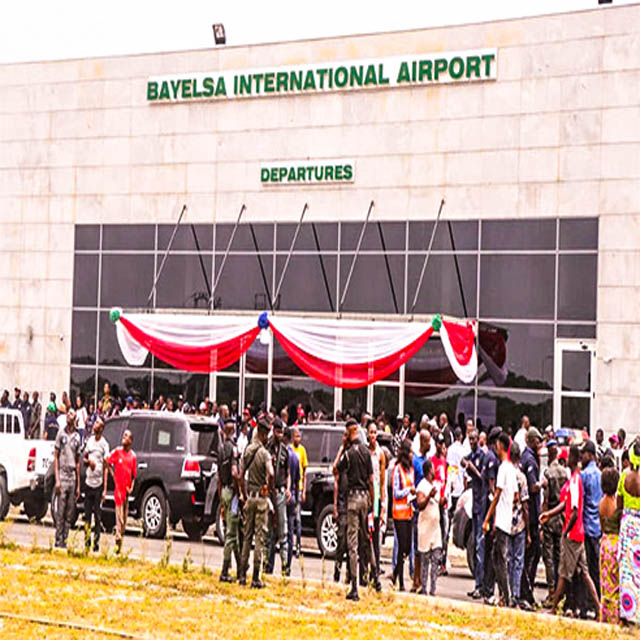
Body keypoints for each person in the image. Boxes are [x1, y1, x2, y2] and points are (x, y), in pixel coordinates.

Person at [539, 445, 600, 615]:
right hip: (579, 533)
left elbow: (573, 511)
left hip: (573, 534)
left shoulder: (574, 481)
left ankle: (553, 607)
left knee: (564, 574)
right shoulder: (576, 478)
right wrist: (549, 514)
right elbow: (566, 504)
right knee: (584, 573)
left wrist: (565, 532)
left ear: (573, 459)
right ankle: (598, 607)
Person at [335, 419, 376, 601]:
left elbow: (336, 469)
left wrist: (343, 448)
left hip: (352, 499)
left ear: (350, 433)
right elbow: (371, 480)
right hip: (365, 497)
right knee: (367, 538)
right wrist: (372, 504)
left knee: (352, 543)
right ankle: (376, 577)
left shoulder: (349, 453)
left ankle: (354, 586)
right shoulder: (367, 452)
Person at [483, 432, 519, 607]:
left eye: (497, 444)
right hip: (506, 519)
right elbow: (516, 496)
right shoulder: (512, 469)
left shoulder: (503, 468)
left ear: (501, 446)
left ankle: (506, 596)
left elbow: (496, 495)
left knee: (499, 560)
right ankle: (505, 595)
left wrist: (487, 519)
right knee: (497, 557)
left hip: (501, 521)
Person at [238, 420, 273, 588]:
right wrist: (269, 487)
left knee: (246, 537)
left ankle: (242, 574)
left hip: (249, 497)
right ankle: (255, 577)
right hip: (260, 498)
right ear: (264, 434)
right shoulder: (264, 454)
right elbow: (271, 473)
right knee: (259, 539)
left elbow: (240, 474)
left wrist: (243, 494)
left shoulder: (247, 450)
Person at [616, 438, 640, 626]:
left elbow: (619, 503)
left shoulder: (624, 476)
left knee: (626, 570)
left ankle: (626, 611)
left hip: (627, 525)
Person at [541, 439, 567, 606]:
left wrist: (543, 517)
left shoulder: (548, 473)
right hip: (561, 515)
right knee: (559, 556)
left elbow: (546, 498)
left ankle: (552, 593)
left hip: (550, 515)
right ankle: (560, 593)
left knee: (549, 557)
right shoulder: (564, 473)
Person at [461, 427, 486, 599]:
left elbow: (482, 477)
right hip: (475, 506)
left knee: (480, 546)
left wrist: (471, 468)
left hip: (483, 505)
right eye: (469, 439)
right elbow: (465, 462)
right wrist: (465, 463)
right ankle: (477, 583)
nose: (472, 442)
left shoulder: (483, 457)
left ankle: (482, 584)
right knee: (475, 547)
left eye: (474, 439)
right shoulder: (471, 455)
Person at [519, 426, 543, 608]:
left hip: (534, 514)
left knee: (533, 554)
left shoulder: (530, 458)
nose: (539, 443)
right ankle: (525, 593)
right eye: (537, 440)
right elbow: (532, 487)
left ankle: (527, 592)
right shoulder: (529, 460)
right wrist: (542, 483)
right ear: (530, 440)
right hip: (531, 516)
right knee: (531, 555)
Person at [265, 418, 290, 576]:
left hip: (280, 493)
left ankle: (285, 568)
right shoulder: (266, 448)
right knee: (268, 534)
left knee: (283, 532)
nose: (279, 434)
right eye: (277, 431)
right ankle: (267, 566)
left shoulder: (285, 451)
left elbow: (287, 473)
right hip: (268, 493)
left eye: (281, 432)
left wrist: (288, 489)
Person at [53, 408, 81, 549]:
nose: (71, 416)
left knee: (70, 512)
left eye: (73, 415)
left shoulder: (77, 437)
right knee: (61, 510)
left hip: (72, 476)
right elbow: (56, 456)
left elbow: (77, 461)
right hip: (63, 475)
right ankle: (58, 539)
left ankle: (65, 539)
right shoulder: (61, 434)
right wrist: (57, 479)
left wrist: (78, 485)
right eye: (69, 414)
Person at [106, 429, 137, 554]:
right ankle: (117, 538)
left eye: (126, 436)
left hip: (126, 492)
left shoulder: (132, 456)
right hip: (118, 490)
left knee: (124, 520)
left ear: (130, 440)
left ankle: (119, 544)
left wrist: (132, 487)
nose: (124, 438)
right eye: (123, 435)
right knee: (119, 518)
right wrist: (113, 475)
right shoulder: (117, 452)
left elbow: (134, 475)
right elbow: (107, 461)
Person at [580, 440, 602, 606]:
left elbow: (581, 504)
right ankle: (598, 601)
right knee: (596, 568)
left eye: (584, 454)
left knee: (585, 569)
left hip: (587, 526)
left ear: (590, 454)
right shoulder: (601, 475)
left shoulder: (584, 475)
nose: (582, 456)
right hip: (598, 526)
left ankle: (587, 602)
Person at [218, 419, 241, 582]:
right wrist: (239, 492)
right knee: (231, 534)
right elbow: (234, 472)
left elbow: (219, 477)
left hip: (224, 492)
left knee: (232, 531)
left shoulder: (220, 449)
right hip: (232, 493)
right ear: (233, 432)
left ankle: (240, 567)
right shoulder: (234, 449)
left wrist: (220, 500)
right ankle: (224, 571)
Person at [508, 443, 531, 611]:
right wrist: (529, 530)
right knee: (518, 561)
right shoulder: (521, 477)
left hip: (506, 523)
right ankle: (515, 595)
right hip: (520, 524)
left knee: (508, 560)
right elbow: (525, 505)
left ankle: (507, 593)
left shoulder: (506, 474)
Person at [481, 427, 502, 601]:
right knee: (491, 551)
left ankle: (486, 587)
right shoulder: (493, 459)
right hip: (489, 509)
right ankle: (487, 589)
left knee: (489, 551)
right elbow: (491, 486)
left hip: (486, 508)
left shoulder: (488, 456)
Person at [83, 417, 109, 552]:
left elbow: (105, 467)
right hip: (88, 483)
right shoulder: (90, 442)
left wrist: (104, 489)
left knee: (97, 516)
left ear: (102, 428)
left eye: (98, 423)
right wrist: (89, 462)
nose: (95, 424)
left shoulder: (104, 445)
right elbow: (84, 459)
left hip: (98, 485)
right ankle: (86, 541)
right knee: (87, 515)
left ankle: (96, 543)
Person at [599, 466, 621, 624]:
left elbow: (601, 526)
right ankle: (615, 615)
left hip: (604, 542)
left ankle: (605, 614)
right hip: (615, 543)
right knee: (615, 582)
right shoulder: (616, 506)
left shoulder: (601, 503)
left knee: (605, 581)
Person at [416, 458, 441, 596]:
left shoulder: (435, 484)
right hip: (425, 529)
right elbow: (420, 504)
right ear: (428, 471)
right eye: (432, 468)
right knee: (425, 559)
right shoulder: (422, 486)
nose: (434, 470)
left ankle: (433, 589)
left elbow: (438, 502)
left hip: (435, 528)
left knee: (436, 558)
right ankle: (424, 588)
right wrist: (428, 496)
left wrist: (442, 501)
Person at [391, 439, 415, 592]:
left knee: (406, 547)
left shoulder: (410, 470)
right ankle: (400, 582)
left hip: (408, 513)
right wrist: (408, 491)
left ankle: (394, 574)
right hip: (399, 513)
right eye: (411, 452)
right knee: (401, 548)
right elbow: (396, 492)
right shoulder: (397, 470)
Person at [367, 421, 386, 582]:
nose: (372, 435)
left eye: (375, 433)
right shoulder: (365, 452)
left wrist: (382, 505)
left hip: (377, 497)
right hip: (366, 495)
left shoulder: (380, 454)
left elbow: (382, 480)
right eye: (370, 432)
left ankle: (376, 571)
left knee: (376, 535)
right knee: (366, 534)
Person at [283, 427, 300, 574]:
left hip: (283, 494)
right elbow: (297, 480)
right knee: (290, 533)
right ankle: (287, 565)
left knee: (279, 532)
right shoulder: (295, 457)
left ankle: (273, 564)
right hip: (293, 495)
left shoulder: (284, 455)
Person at [431, 434, 449, 573]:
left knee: (445, 533)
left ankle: (443, 561)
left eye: (442, 443)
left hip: (444, 503)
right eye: (439, 443)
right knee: (436, 533)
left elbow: (445, 481)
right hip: (435, 502)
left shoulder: (444, 462)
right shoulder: (432, 461)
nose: (440, 446)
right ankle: (435, 562)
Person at [292, 427, 308, 559]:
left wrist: (303, 491)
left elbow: (305, 471)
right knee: (290, 518)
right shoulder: (290, 449)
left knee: (298, 519)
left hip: (299, 487)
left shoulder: (302, 451)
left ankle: (298, 545)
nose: (298, 439)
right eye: (296, 436)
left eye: (299, 436)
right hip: (290, 488)